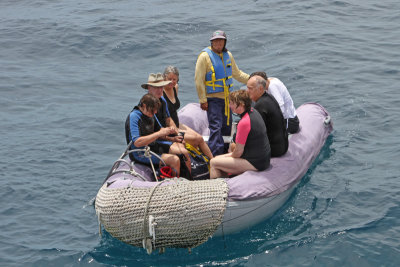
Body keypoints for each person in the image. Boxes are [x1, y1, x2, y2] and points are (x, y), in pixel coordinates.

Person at [195, 30, 250, 156]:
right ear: (212, 42)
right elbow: (199, 80)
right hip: (213, 99)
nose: (218, 43)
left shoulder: (228, 55)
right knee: (216, 128)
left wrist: (252, 78)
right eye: (215, 41)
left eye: (221, 40)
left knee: (227, 126)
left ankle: (225, 154)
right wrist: (203, 100)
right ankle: (214, 156)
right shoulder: (204, 57)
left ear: (225, 42)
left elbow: (237, 74)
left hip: (227, 99)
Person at [209, 90, 270, 179]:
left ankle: (214, 190)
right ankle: (227, 181)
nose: (229, 106)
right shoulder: (253, 112)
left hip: (256, 163)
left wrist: (226, 157)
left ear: (241, 104)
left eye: (232, 103)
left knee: (213, 162)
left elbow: (238, 153)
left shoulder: (244, 122)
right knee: (219, 159)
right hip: (263, 158)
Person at [140, 73, 192, 173]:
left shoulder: (162, 100)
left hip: (163, 136)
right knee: (183, 152)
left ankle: (184, 175)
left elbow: (168, 120)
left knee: (182, 145)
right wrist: (171, 138)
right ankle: (187, 178)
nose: (160, 90)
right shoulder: (146, 107)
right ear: (149, 89)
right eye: (156, 88)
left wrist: (176, 134)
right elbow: (152, 134)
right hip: (154, 143)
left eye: (161, 87)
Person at [163, 65, 213, 160]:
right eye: (169, 79)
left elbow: (173, 108)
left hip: (177, 123)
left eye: (174, 79)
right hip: (169, 127)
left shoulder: (175, 87)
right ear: (164, 77)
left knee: (199, 138)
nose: (172, 82)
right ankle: (209, 161)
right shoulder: (161, 92)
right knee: (196, 140)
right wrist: (175, 131)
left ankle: (212, 162)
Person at [125, 94, 181, 175]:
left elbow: (158, 132)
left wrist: (171, 135)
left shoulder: (150, 114)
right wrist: (159, 133)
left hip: (152, 146)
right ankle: (174, 184)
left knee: (180, 150)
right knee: (175, 160)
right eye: (153, 110)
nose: (155, 112)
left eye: (156, 110)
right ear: (144, 106)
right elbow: (137, 142)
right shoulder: (134, 116)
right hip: (140, 153)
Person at [246, 75, 288, 157]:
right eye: (247, 88)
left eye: (250, 88)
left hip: (274, 150)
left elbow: (255, 133)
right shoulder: (269, 97)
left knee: (235, 146)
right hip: (282, 146)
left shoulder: (260, 106)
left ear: (261, 89)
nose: (247, 91)